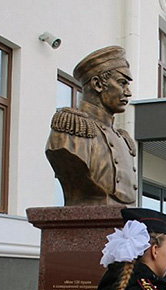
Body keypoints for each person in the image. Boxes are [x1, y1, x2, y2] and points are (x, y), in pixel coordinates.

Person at [46, 46, 138, 205]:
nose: (128, 92)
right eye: (122, 83)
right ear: (97, 84)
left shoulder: (123, 139)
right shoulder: (71, 129)